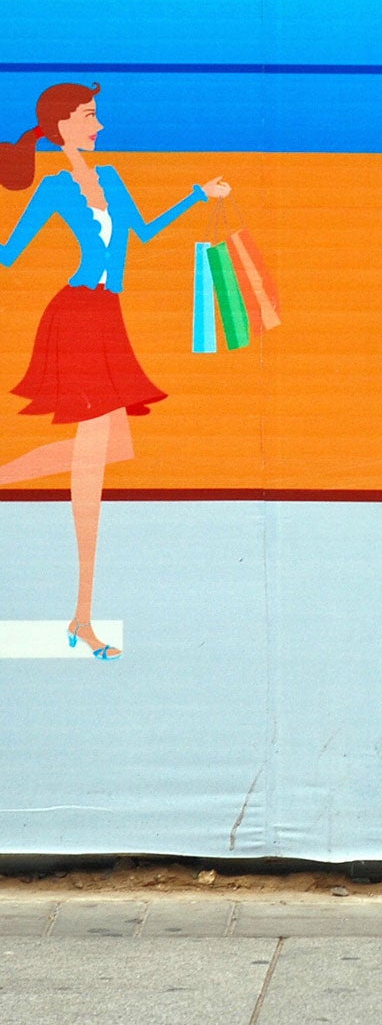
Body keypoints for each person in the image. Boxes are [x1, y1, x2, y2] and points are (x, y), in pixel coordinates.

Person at [0, 82, 230, 659]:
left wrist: (196, 197)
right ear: (62, 128)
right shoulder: (54, 190)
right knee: (91, 466)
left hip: (107, 316)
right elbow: (8, 254)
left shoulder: (114, 180)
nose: (98, 126)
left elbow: (145, 234)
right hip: (75, 316)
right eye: (88, 117)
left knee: (110, 448)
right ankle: (82, 614)